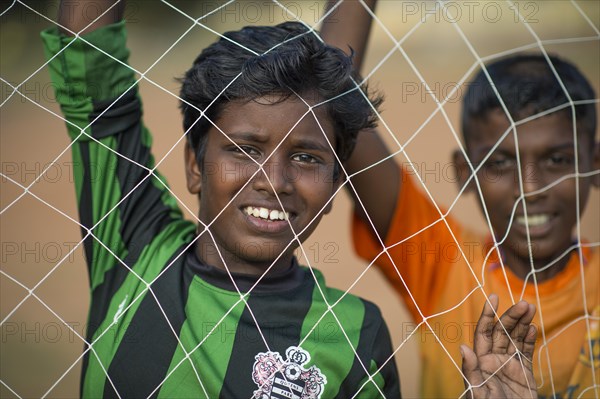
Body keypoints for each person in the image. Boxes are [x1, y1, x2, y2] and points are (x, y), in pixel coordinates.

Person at [43, 0, 538, 397]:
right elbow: (89, 59)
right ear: (195, 167)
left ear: (335, 187)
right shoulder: (131, 240)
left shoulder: (354, 335)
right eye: (244, 149)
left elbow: (334, 97)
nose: (274, 180)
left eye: (306, 158)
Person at [324, 1, 600, 398]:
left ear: (594, 162)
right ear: (464, 172)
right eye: (500, 162)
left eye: (557, 159)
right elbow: (333, 98)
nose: (530, 187)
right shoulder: (441, 262)